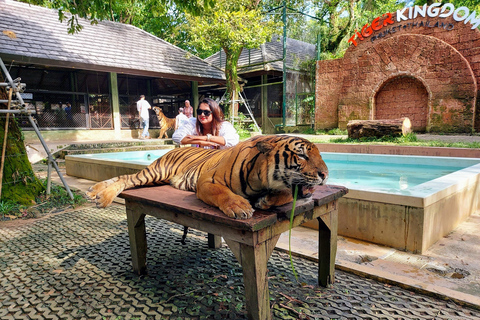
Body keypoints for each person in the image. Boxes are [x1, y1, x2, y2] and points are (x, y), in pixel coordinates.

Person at [172, 98, 239, 149]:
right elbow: (176, 136)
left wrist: (206, 138)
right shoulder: (193, 123)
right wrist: (199, 142)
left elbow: (233, 141)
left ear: (214, 113)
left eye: (206, 112)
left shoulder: (224, 126)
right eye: (199, 111)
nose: (202, 115)